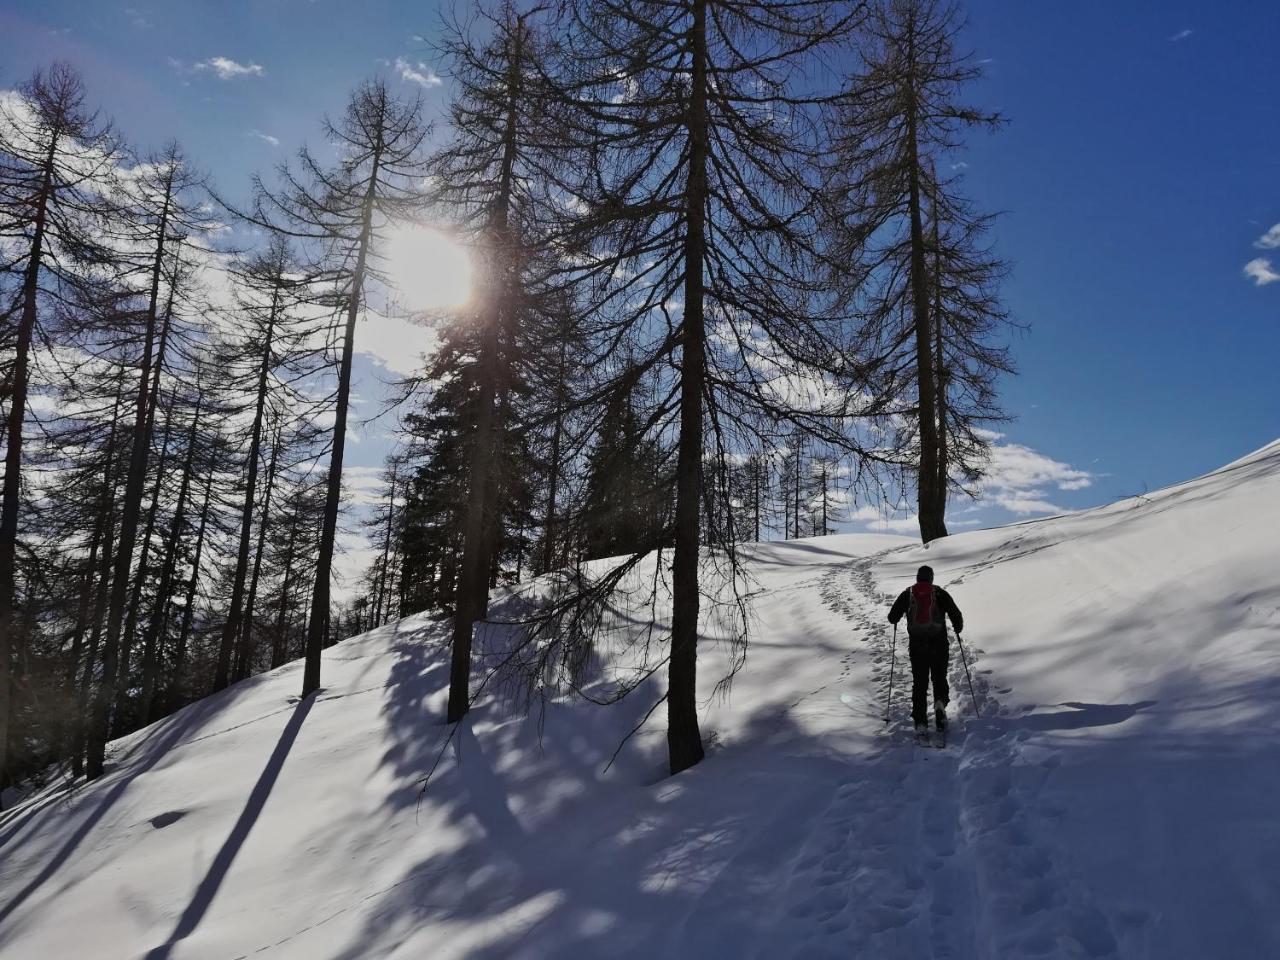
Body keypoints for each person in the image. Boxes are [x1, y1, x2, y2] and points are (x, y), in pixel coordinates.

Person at [887, 565, 964, 736]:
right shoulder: (939, 593)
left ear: (917, 577)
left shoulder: (908, 593)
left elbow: (892, 617)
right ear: (931, 578)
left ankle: (920, 720)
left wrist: (901, 616)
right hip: (939, 644)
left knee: (920, 683)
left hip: (917, 646)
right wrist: (957, 628)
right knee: (939, 678)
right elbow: (955, 614)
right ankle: (939, 705)